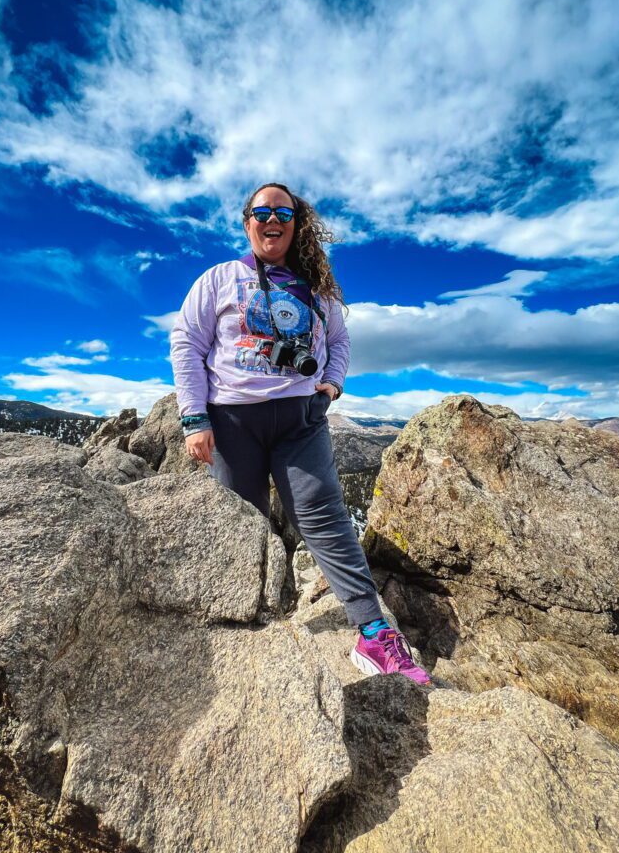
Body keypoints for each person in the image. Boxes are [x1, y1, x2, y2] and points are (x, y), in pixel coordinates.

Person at [169, 181, 430, 685]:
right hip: (232, 421)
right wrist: (194, 418)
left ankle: (373, 633)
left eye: (283, 213)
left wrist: (330, 387)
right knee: (242, 524)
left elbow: (338, 340)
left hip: (300, 421)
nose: (272, 219)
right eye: (261, 211)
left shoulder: (318, 291)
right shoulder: (220, 278)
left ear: (296, 223)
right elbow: (187, 342)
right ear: (247, 222)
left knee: (325, 517)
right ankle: (241, 621)